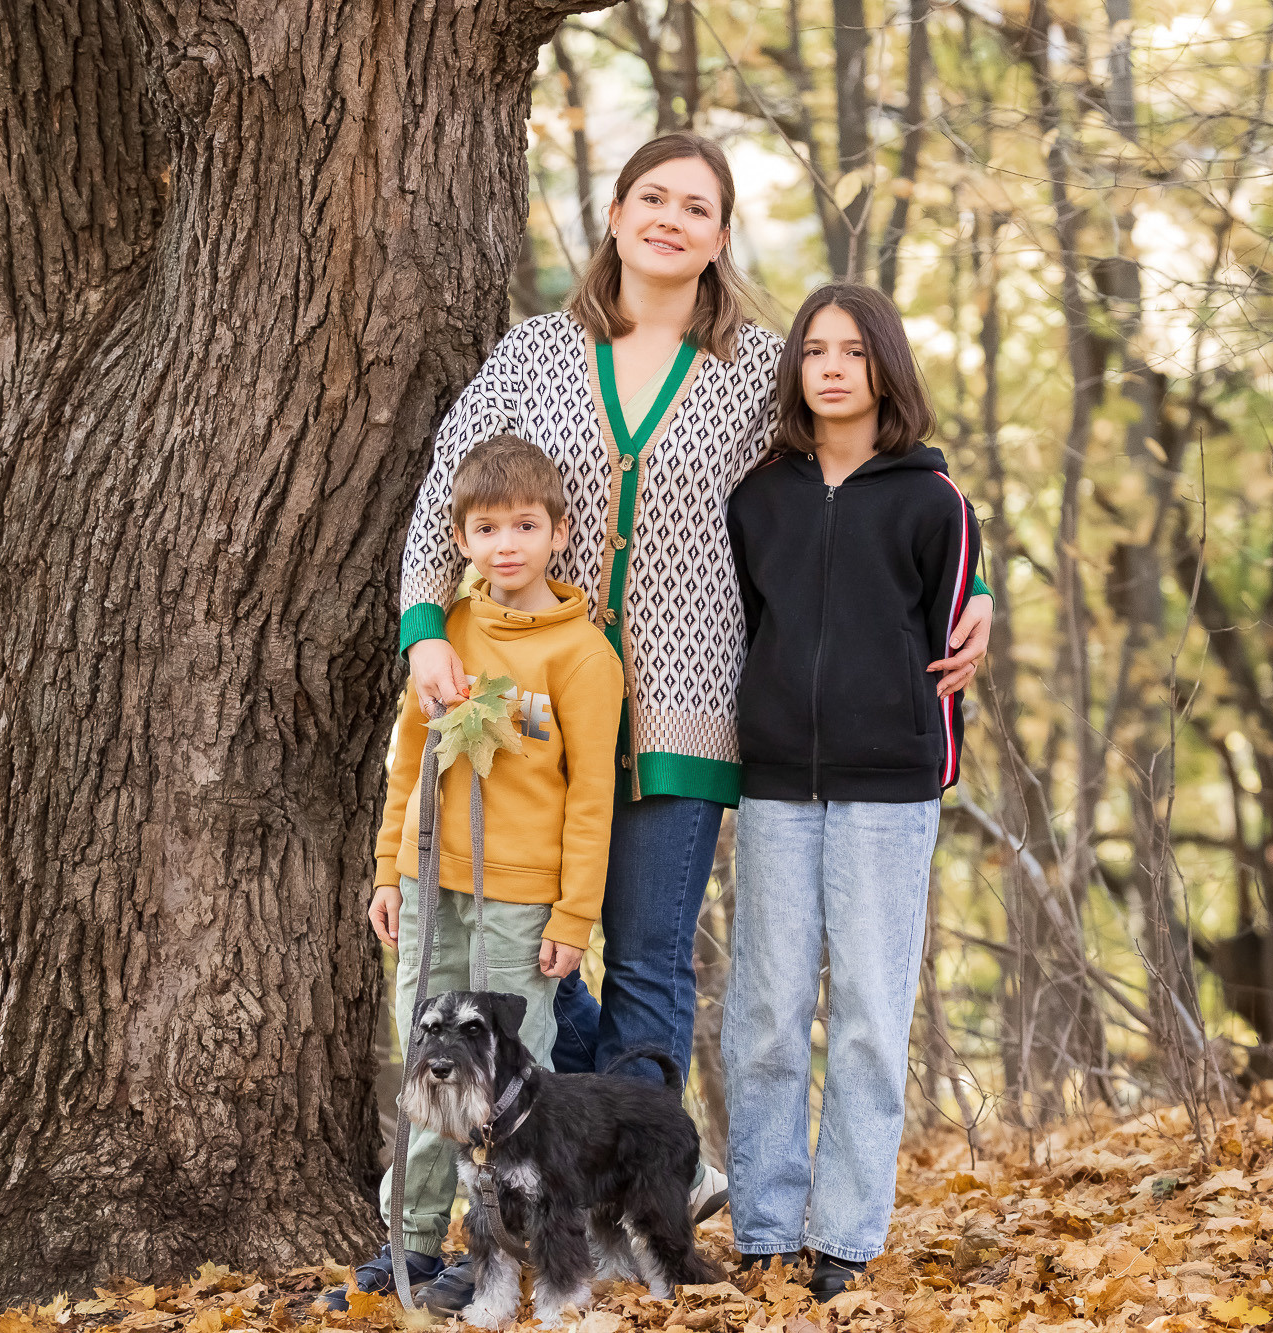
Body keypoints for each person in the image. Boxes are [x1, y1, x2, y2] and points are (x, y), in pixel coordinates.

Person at [395, 131, 992, 1302]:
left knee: (654, 962)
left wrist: (971, 587)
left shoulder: (753, 368)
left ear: (720, 238)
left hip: (687, 705)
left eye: (697, 207)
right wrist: (426, 625)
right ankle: (556, 1175)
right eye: (650, 198)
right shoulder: (532, 355)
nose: (670, 219)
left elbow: (870, 484)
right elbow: (441, 486)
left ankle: (643, 1210)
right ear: (614, 216)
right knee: (530, 945)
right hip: (530, 712)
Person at [721, 284, 981, 1301]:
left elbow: (955, 635)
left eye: (852, 352)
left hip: (887, 790)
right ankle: (765, 1225)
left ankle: (844, 1239)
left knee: (871, 1011)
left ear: (884, 368)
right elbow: (744, 624)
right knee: (769, 1012)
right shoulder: (758, 499)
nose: (831, 367)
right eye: (814, 351)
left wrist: (929, 752)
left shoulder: (932, 502)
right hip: (777, 783)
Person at [324, 436, 625, 1313]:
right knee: (428, 1061)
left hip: (525, 897)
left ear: (559, 532)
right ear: (459, 538)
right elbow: (406, 760)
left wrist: (575, 915)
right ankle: (408, 1236)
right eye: (486, 527)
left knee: (496, 1085)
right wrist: (388, 867)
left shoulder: (584, 655)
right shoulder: (447, 635)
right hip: (429, 882)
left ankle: (480, 1244)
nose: (506, 544)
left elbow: (592, 798)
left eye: (525, 525)